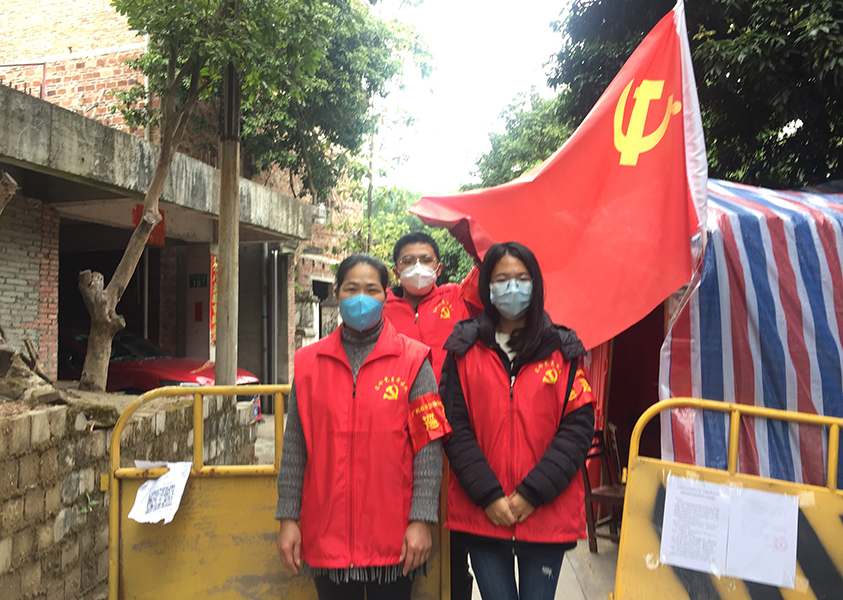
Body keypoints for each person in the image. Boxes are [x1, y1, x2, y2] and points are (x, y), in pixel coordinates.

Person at [276, 253, 451, 600]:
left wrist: (421, 520)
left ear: (386, 295)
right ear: (337, 294)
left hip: (395, 537)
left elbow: (428, 449)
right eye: (351, 288)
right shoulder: (308, 364)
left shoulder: (414, 360)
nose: (361, 298)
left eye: (371, 290)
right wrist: (288, 519)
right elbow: (295, 446)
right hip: (326, 535)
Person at [440, 241, 595, 600]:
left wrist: (530, 494)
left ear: (535, 284)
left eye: (522, 278)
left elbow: (577, 429)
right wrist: (489, 495)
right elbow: (454, 427)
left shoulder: (564, 349)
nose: (512, 287)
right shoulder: (464, 347)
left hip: (545, 512)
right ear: (487, 286)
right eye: (502, 279)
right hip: (483, 513)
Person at [383, 231, 480, 600]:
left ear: (439, 267)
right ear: (396, 270)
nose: (417, 267)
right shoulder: (380, 306)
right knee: (402, 523)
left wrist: (467, 231)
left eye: (426, 260)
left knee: (455, 536)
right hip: (398, 434)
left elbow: (492, 263)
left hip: (455, 434)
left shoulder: (458, 297)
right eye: (408, 261)